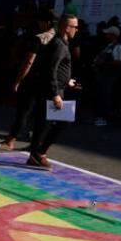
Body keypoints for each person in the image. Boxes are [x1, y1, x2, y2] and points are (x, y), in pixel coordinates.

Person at [0, 9, 56, 149]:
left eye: (40, 22)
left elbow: (29, 61)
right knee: (42, 115)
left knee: (24, 110)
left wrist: (18, 80)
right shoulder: (59, 38)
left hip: (35, 79)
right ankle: (36, 143)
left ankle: (10, 140)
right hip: (51, 81)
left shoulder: (40, 38)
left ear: (46, 22)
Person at [27, 14, 79, 169]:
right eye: (74, 26)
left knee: (44, 124)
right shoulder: (58, 44)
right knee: (56, 123)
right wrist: (55, 93)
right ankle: (39, 153)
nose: (77, 29)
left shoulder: (62, 43)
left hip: (56, 88)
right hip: (51, 91)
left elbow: (57, 69)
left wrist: (67, 80)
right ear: (66, 27)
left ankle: (36, 154)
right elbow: (50, 69)